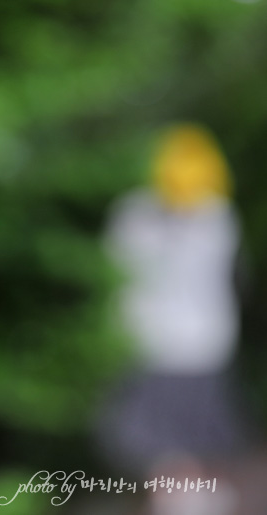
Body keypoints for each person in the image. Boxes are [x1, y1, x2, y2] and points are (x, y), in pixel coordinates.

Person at [97, 124, 250, 515]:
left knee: (192, 428)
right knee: (151, 432)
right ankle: (172, 495)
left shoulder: (216, 218)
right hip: (148, 341)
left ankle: (191, 494)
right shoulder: (135, 214)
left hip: (198, 342)